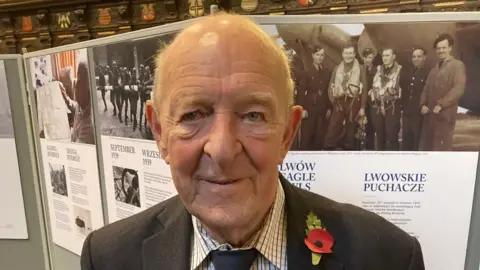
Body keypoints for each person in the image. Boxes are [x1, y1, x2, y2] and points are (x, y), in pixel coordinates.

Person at [80, 13, 425, 270]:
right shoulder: (109, 258)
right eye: (193, 115)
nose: (223, 149)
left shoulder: (388, 258)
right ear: (159, 133)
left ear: (287, 134)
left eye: (253, 116)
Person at [419, 33, 466, 151]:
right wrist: (423, 104)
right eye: (438, 48)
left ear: (450, 48)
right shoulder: (434, 68)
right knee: (428, 149)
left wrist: (441, 104)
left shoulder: (457, 65)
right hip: (430, 116)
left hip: (445, 116)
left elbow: (458, 89)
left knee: (442, 149)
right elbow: (426, 88)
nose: (441, 51)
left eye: (444, 48)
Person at [324, 43, 368, 150]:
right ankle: (328, 150)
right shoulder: (336, 68)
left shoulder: (361, 69)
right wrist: (334, 102)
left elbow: (365, 89)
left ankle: (348, 153)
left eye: (350, 53)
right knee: (333, 128)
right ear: (342, 54)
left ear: (354, 54)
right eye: (346, 53)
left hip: (353, 102)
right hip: (339, 102)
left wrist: (362, 107)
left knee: (350, 130)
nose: (348, 55)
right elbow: (330, 87)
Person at [296, 46, 331, 150]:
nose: (319, 57)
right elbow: (301, 92)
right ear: (313, 56)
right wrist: (303, 109)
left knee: (319, 137)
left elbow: (328, 91)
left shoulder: (327, 72)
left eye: (321, 55)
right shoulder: (306, 71)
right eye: (317, 55)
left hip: (322, 108)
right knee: (307, 136)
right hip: (310, 107)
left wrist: (329, 107)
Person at [369, 48, 402, 151]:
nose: (385, 58)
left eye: (388, 55)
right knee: (380, 136)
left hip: (391, 107)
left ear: (393, 56)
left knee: (391, 137)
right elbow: (372, 86)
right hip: (377, 107)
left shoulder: (400, 70)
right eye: (383, 56)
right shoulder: (378, 70)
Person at [400, 48, 431, 151]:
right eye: (414, 57)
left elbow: (430, 92)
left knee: (417, 142)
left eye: (419, 56)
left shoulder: (429, 73)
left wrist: (426, 105)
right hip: (407, 112)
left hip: (419, 113)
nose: (416, 59)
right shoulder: (408, 71)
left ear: (424, 58)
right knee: (406, 140)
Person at [60, 61, 94, 145]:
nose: (75, 87)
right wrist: (66, 98)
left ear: (89, 89)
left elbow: (76, 151)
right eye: (76, 83)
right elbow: (75, 107)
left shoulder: (89, 126)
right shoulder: (82, 105)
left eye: (79, 83)